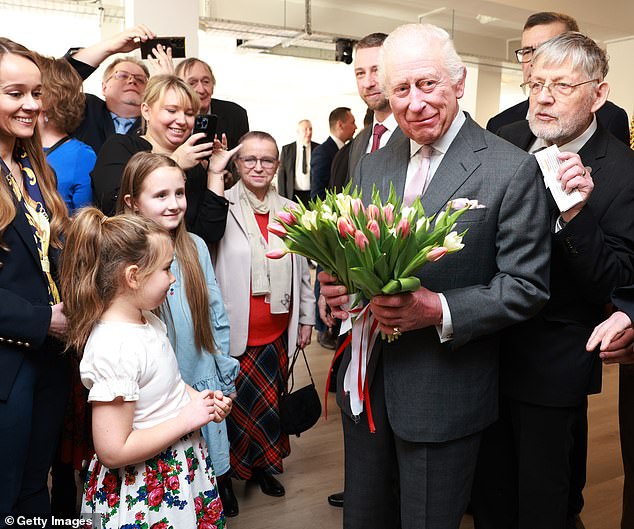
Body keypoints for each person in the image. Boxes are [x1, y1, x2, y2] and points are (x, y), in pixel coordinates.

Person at [320, 23, 551, 529]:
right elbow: (354, 250)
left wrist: (438, 309)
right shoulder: (374, 165)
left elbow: (527, 286)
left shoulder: (510, 169)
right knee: (364, 518)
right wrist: (335, 285)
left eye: (428, 84)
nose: (414, 102)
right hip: (366, 387)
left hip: (444, 391)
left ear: (459, 82)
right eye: (401, 89)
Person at [471, 33, 634, 529]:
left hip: (554, 360)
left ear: (598, 95)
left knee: (544, 500)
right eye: (537, 83)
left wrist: (577, 215)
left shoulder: (624, 173)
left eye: (561, 86)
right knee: (489, 493)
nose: (542, 97)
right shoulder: (505, 142)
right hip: (483, 349)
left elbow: (619, 285)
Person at [59, 208, 232, 528]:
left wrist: (200, 400)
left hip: (177, 469)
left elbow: (168, 385)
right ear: (133, 276)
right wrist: (185, 420)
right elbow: (112, 450)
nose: (173, 277)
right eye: (166, 268)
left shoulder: (148, 321)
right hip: (144, 488)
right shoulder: (115, 348)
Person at [117, 151, 241, 516]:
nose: (174, 205)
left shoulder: (195, 247)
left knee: (201, 478)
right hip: (151, 393)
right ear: (132, 203)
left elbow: (216, 314)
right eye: (160, 196)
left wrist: (223, 372)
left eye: (180, 193)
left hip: (198, 374)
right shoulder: (120, 256)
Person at [212, 131, 315, 513]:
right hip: (234, 332)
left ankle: (261, 469)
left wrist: (306, 318)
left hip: (276, 330)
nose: (258, 167)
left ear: (278, 165)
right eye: (249, 159)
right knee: (231, 412)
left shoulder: (291, 209)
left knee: (268, 410)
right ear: (236, 163)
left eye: (267, 160)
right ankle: (225, 480)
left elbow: (302, 270)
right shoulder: (220, 204)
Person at [325, 31, 400, 510]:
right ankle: (365, 492)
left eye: (377, 70)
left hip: (400, 301)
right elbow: (336, 223)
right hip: (354, 308)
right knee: (359, 404)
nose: (369, 81)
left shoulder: (414, 138)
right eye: (360, 71)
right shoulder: (351, 149)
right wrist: (326, 279)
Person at [0, 38, 70, 519]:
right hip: (8, 361)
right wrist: (43, 318)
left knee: (33, 484)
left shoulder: (30, 165)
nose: (31, 105)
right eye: (15, 93)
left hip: (49, 358)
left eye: (36, 93)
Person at [90, 74, 228, 244]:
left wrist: (215, 172)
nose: (182, 120)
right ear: (146, 111)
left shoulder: (195, 165)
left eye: (189, 113)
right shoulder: (121, 146)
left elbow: (209, 234)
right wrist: (175, 163)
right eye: (171, 110)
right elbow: (113, 207)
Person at [486, 12, 629, 146]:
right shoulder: (499, 125)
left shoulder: (610, 117)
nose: (534, 61)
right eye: (527, 51)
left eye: (548, 49)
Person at [64, 25, 156, 155]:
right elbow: (56, 83)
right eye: (122, 75)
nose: (132, 81)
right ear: (104, 87)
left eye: (140, 79)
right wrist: (110, 47)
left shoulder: (154, 124)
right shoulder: (85, 107)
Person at [36, 54, 95, 213]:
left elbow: (83, 225)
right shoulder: (12, 147)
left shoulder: (81, 155)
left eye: (35, 92)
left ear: (51, 98)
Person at [175, 57, 249, 149]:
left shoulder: (235, 114)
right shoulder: (173, 119)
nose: (201, 90)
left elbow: (243, 157)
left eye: (206, 82)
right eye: (192, 83)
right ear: (178, 88)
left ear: (213, 86)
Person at [310, 106, 356, 201]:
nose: (356, 127)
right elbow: (318, 194)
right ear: (340, 125)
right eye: (352, 123)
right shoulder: (322, 152)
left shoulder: (349, 150)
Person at [276, 119, 318, 204]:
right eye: (305, 129)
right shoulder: (287, 150)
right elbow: (281, 176)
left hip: (312, 195)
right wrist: (281, 198)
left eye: (310, 129)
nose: (309, 132)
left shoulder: (318, 149)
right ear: (298, 132)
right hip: (293, 195)